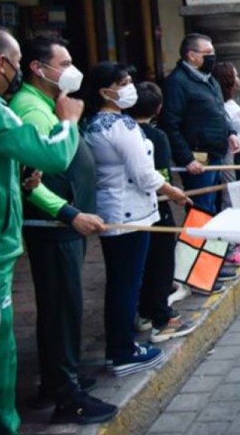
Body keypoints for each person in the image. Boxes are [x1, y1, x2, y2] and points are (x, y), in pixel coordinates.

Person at [0, 26, 82, 435]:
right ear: (2, 63)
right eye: (18, 61)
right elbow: (54, 154)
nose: (20, 69)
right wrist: (69, 122)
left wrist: (18, 173)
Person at [10, 36, 116, 424]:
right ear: (39, 69)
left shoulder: (47, 104)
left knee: (64, 306)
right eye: (64, 62)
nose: (72, 70)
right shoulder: (32, 109)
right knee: (59, 307)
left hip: (64, 224)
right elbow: (31, 178)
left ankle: (60, 378)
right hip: (54, 225)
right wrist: (70, 212)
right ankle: (63, 393)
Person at [82, 62, 190, 377]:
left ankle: (120, 346)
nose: (130, 86)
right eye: (124, 82)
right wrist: (174, 192)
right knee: (126, 283)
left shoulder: (91, 123)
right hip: (131, 213)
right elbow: (145, 175)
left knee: (121, 282)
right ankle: (123, 351)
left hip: (114, 211)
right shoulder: (122, 127)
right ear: (105, 91)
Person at [126, 82, 199, 344]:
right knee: (160, 262)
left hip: (130, 208)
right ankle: (160, 316)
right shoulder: (156, 137)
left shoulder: (123, 130)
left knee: (141, 263)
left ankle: (142, 312)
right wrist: (175, 194)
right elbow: (161, 175)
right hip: (155, 205)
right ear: (159, 108)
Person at [159, 33, 239, 214]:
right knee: (200, 210)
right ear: (191, 55)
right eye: (207, 52)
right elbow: (170, 124)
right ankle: (198, 242)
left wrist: (230, 132)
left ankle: (212, 242)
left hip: (216, 154)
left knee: (213, 207)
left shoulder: (209, 79)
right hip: (197, 159)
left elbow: (220, 111)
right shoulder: (177, 82)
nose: (212, 57)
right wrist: (186, 158)